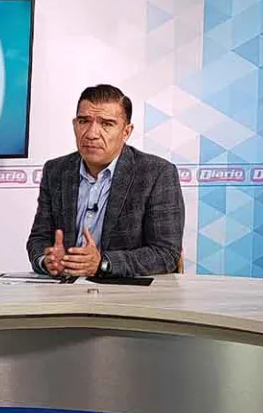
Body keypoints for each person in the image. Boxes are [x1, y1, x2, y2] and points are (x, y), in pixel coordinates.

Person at [27, 84, 184, 278]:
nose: (91, 134)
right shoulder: (56, 170)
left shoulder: (157, 173)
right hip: (65, 287)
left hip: (125, 290)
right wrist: (47, 260)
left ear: (126, 132)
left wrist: (102, 263)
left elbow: (166, 253)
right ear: (75, 125)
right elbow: (39, 238)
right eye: (84, 121)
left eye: (107, 124)